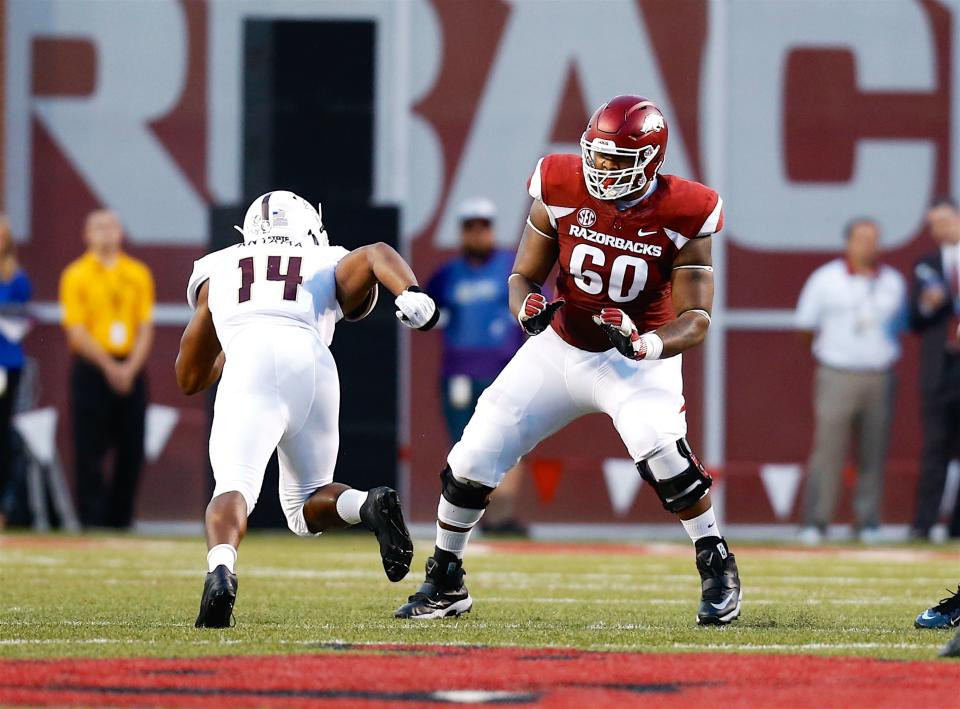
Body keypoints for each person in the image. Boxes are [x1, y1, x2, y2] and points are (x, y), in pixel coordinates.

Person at [395, 95, 741, 625]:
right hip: (561, 346)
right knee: (471, 457)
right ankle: (445, 581)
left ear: (651, 160)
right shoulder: (558, 182)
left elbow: (696, 317)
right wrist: (527, 308)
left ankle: (717, 566)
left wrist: (647, 345)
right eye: (595, 156)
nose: (601, 170)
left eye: (616, 160)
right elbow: (521, 278)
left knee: (661, 453)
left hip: (637, 354)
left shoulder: (686, 210)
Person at [177, 190, 438, 628]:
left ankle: (221, 571)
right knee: (304, 507)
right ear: (308, 228)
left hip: (251, 362)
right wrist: (410, 291)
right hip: (313, 364)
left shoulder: (217, 266)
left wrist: (228, 352)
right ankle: (367, 504)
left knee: (234, 485)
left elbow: (189, 376)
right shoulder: (325, 257)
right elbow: (376, 253)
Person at [795, 219, 906, 545]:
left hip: (880, 374)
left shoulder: (893, 282)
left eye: (874, 239)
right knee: (828, 451)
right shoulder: (826, 279)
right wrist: (826, 356)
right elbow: (805, 325)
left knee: (874, 450)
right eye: (862, 239)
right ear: (849, 242)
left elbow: (900, 326)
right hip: (838, 373)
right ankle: (816, 522)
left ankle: (868, 521)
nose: (869, 246)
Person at [427, 197, 526, 534]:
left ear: (492, 229)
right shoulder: (447, 275)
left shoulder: (511, 268)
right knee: (464, 445)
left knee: (510, 443)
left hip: (504, 371)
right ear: (461, 231)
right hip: (458, 373)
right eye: (470, 227)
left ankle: (502, 517)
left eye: (483, 226)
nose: (477, 233)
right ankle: (466, 519)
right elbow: (428, 312)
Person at [59, 209, 154, 529]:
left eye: (111, 225)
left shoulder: (138, 273)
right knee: (89, 448)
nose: (105, 232)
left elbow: (144, 326)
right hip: (92, 367)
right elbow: (77, 330)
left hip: (131, 366)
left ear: (120, 232)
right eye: (98, 227)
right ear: (86, 234)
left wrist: (128, 368)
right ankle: (91, 520)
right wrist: (110, 367)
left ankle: (121, 520)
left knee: (132, 448)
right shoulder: (76, 274)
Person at [908, 196, 960, 540]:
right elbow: (914, 319)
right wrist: (927, 307)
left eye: (942, 221)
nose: (937, 229)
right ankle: (923, 525)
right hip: (940, 368)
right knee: (935, 450)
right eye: (932, 224)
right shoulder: (926, 265)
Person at [0, 215, 31, 528]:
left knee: (2, 433)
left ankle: (4, 505)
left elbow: (19, 323)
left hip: (5, 363)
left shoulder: (16, 278)